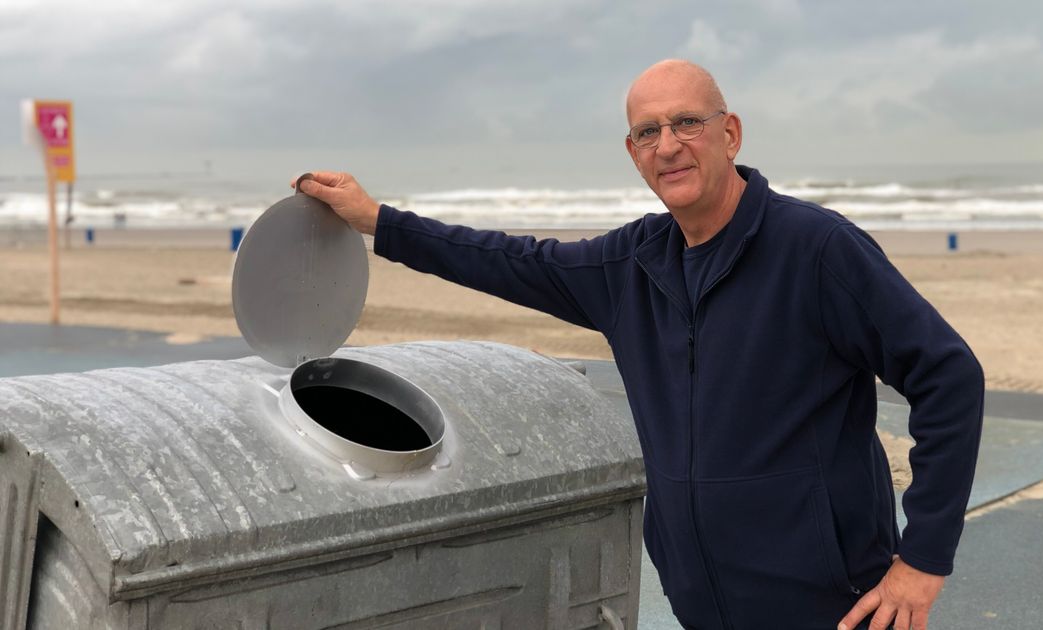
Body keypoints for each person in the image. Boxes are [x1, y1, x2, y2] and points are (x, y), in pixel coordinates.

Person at [295, 59, 984, 630]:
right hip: (701, 601)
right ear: (634, 154)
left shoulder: (817, 250)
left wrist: (923, 560)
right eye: (648, 131)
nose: (668, 145)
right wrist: (377, 220)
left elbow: (948, 377)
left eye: (687, 122)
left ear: (730, 134)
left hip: (828, 604)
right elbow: (509, 260)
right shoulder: (631, 266)